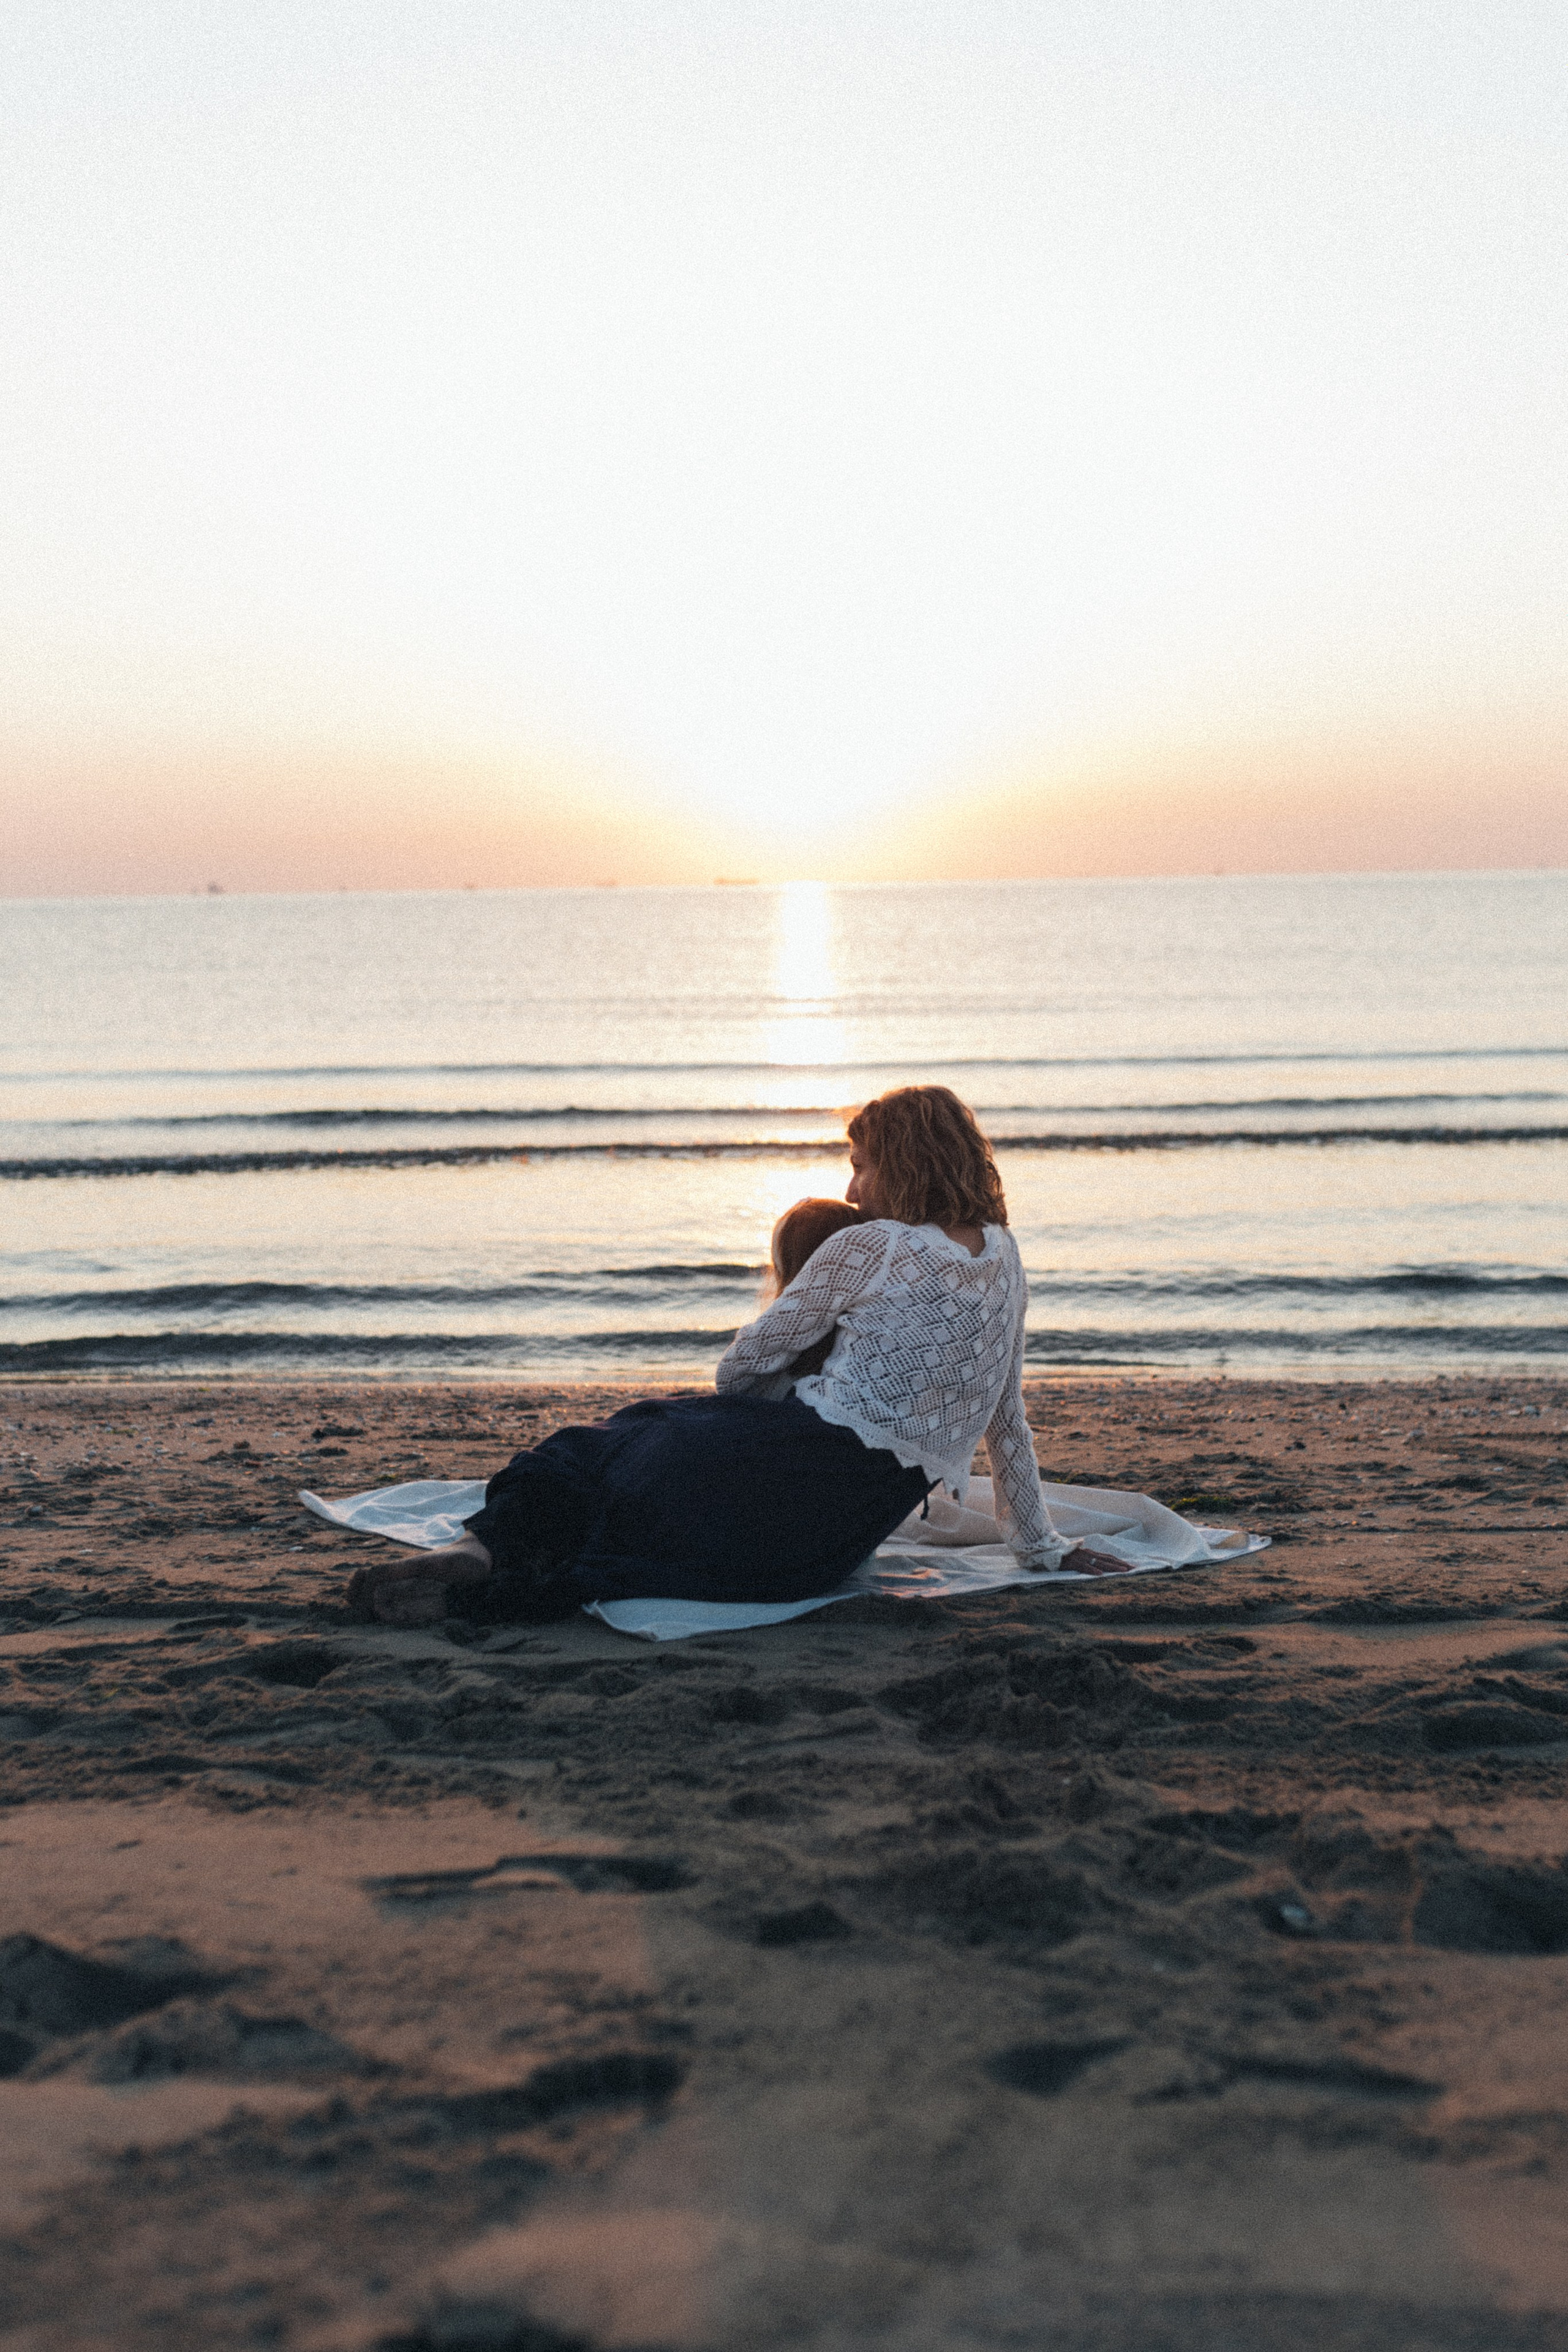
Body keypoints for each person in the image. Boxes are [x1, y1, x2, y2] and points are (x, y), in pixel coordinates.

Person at [346, 1085, 1126, 1625]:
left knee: (603, 1445)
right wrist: (1042, 1550)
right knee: (646, 1528)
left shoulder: (872, 1245)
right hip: (832, 1540)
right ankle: (474, 1581)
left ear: (905, 1161)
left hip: (789, 1459)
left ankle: (472, 1551)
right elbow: (1007, 1426)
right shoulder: (1007, 1256)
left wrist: (753, 1404)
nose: (852, 1189)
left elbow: (741, 1366)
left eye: (862, 1163)